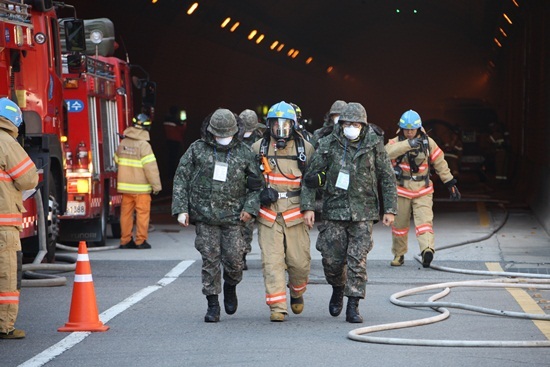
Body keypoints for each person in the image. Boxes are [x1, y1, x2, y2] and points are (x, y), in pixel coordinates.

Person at [301, 102, 397, 323]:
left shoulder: (374, 145)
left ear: (363, 125)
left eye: (355, 123)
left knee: (357, 259)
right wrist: (308, 207)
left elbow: (387, 178)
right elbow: (309, 178)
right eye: (347, 123)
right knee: (332, 261)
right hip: (334, 210)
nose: (350, 127)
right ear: (340, 124)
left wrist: (390, 209)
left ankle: (353, 305)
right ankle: (337, 286)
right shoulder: (327, 144)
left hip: (363, 212)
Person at [172, 108, 262, 323]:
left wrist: (250, 209)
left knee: (234, 261)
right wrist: (181, 209)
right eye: (218, 134)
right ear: (210, 132)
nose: (222, 138)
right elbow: (181, 179)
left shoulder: (244, 153)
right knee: (210, 261)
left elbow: (257, 186)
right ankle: (213, 305)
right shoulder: (197, 150)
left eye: (226, 134)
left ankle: (231, 285)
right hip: (205, 217)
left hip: (234, 219)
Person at [251, 101, 315, 322]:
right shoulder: (258, 147)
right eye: (275, 125)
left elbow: (311, 182)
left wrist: (308, 208)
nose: (280, 130)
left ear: (293, 125)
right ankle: (277, 307)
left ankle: (297, 292)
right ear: (268, 125)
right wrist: (254, 200)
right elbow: (248, 181)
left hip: (295, 214)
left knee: (299, 263)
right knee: (272, 262)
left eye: (285, 125)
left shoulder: (305, 148)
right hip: (269, 215)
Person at [385, 109, 461, 268]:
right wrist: (407, 144)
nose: (410, 132)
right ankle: (399, 254)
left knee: (424, 223)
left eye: (412, 129)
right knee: (399, 226)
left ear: (419, 128)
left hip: (423, 190)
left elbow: (440, 162)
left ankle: (427, 250)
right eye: (407, 129)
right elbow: (385, 153)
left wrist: (450, 183)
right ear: (401, 129)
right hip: (401, 191)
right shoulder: (394, 142)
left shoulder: (428, 142)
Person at [0, 97, 39, 339]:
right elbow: (28, 178)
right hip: (3, 224)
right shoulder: (6, 142)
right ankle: (5, 327)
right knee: (6, 276)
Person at [114, 113, 162, 249]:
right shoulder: (144, 145)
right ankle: (140, 241)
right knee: (142, 214)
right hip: (141, 188)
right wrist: (156, 186)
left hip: (125, 188)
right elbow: (150, 168)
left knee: (125, 215)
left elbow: (117, 161)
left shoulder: (123, 143)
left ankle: (125, 240)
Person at [239, 109, 263, 270]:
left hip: (258, 187)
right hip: (240, 188)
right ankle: (241, 255)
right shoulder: (234, 139)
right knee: (242, 225)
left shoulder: (261, 141)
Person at [163, 106, 187, 180]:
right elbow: (182, 130)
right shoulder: (178, 122)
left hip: (168, 141)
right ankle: (173, 174)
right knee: (175, 158)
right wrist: (184, 122)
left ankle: (169, 173)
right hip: (176, 141)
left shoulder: (166, 120)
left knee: (170, 157)